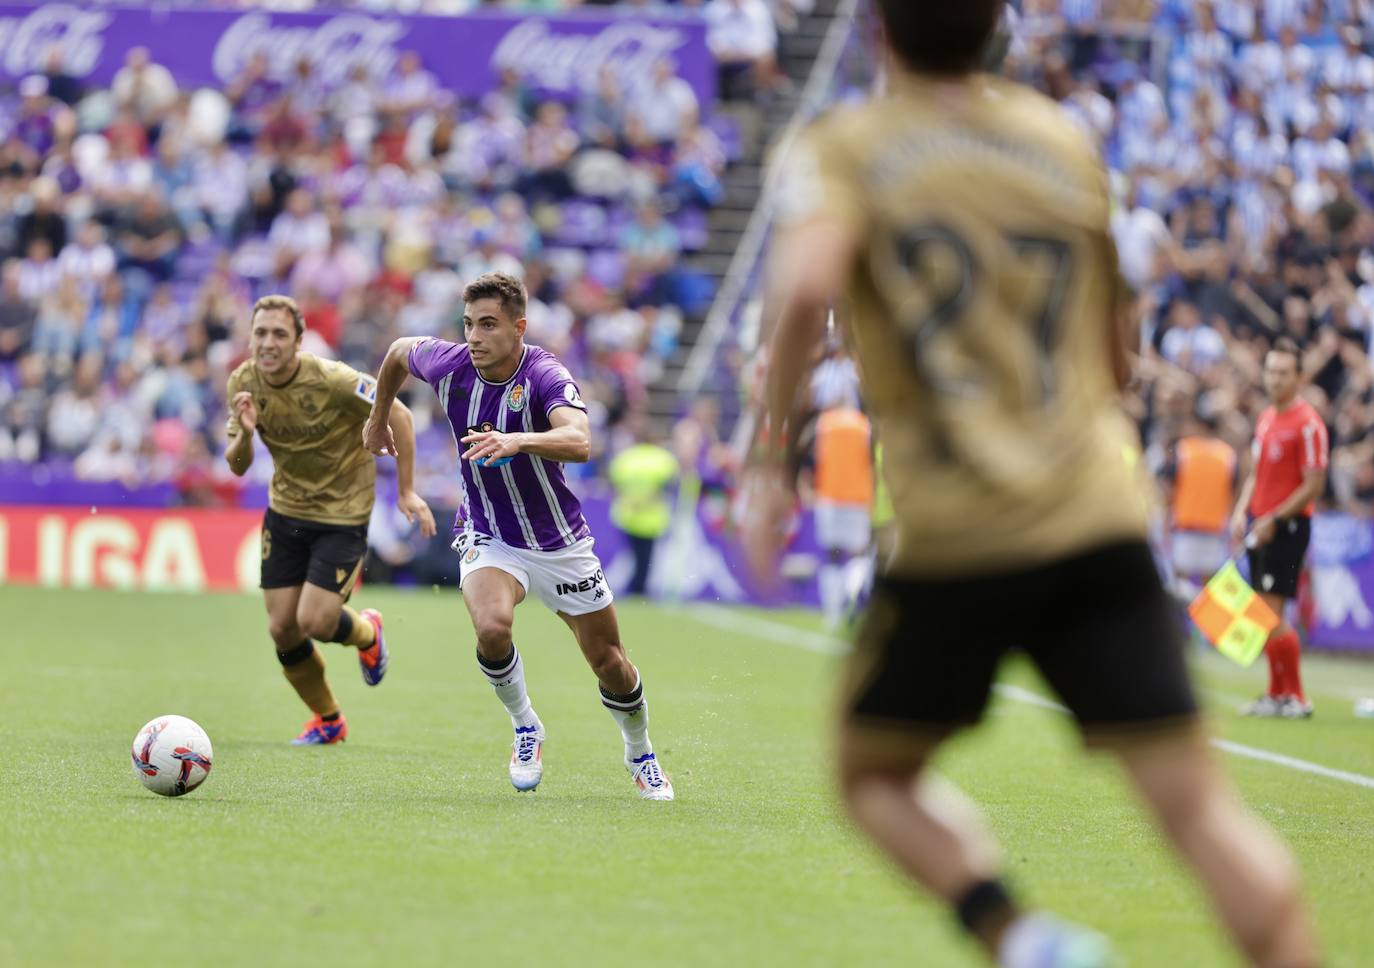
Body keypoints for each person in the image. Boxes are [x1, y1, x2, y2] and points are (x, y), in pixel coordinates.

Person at [742, 3, 1320, 967]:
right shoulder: (1061, 143)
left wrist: (771, 463)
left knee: (872, 773)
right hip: (1096, 515)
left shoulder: (849, 146)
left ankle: (1020, 937)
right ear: (998, 36)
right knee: (1201, 813)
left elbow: (805, 290)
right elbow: (1120, 349)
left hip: (959, 532)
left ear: (878, 32)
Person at [363, 272, 673, 800]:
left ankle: (640, 752)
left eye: (488, 325)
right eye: (468, 324)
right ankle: (526, 726)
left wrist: (517, 441)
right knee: (491, 626)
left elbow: (580, 440)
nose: (474, 337)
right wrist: (376, 421)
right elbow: (396, 353)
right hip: (488, 534)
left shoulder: (546, 374)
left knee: (611, 664)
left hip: (560, 544)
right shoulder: (449, 365)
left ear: (519, 327)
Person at [225, 295, 436, 745]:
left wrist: (405, 490)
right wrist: (244, 432)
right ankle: (328, 719)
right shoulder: (243, 383)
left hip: (343, 515)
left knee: (316, 621)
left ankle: (367, 631)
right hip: (286, 513)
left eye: (279, 334)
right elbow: (238, 465)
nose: (268, 343)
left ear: (299, 341)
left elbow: (397, 414)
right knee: (282, 628)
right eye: (260, 333)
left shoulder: (333, 380)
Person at [1229, 339, 1328, 719]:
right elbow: (1256, 472)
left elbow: (1313, 486)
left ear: (1299, 377)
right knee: (1261, 612)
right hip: (1261, 525)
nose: (1275, 379)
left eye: (1283, 373)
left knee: (1272, 613)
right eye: (1270, 371)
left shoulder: (1309, 425)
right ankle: (1275, 694)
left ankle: (1298, 697)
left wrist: (1274, 519)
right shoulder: (1267, 417)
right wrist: (1241, 510)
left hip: (1288, 527)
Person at [1163, 412, 1237, 596]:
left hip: (1186, 526)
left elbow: (1170, 490)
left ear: (1200, 426)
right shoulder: (1227, 454)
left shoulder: (1184, 449)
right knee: (1209, 590)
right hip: (1214, 528)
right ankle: (1203, 625)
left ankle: (1182, 624)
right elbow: (1233, 492)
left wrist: (1166, 521)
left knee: (1180, 584)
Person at [607, 434, 680, 597]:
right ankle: (638, 590)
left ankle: (635, 588)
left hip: (627, 515)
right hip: (650, 519)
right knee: (645, 559)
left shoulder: (625, 458)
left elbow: (613, 483)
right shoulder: (662, 459)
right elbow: (669, 484)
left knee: (633, 556)